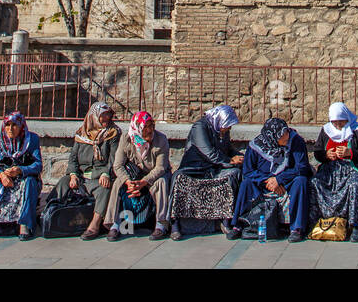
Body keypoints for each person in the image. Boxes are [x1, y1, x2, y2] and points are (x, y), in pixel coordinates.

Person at [228, 117, 313, 243]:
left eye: (286, 132)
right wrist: (269, 181)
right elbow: (248, 171)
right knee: (246, 184)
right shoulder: (256, 146)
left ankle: (297, 228)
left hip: (287, 182)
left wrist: (279, 179)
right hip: (264, 183)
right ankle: (238, 225)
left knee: (301, 181)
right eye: (282, 134)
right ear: (272, 136)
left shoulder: (295, 141)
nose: (286, 136)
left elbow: (302, 167)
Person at [170, 103, 244, 240]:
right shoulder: (200, 127)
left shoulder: (223, 131)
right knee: (179, 178)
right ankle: (175, 224)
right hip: (195, 167)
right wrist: (230, 161)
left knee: (233, 174)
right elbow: (208, 152)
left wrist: (239, 157)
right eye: (227, 125)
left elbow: (228, 149)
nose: (229, 128)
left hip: (213, 168)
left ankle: (226, 220)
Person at [311, 102, 358, 241]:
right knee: (315, 182)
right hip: (330, 169)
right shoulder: (326, 130)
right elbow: (317, 152)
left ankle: (356, 225)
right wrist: (326, 155)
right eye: (335, 121)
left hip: (351, 168)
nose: (338, 124)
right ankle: (318, 222)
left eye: (341, 121)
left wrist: (350, 153)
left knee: (354, 184)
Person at [105, 111, 172, 241]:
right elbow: (118, 165)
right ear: (138, 127)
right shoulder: (126, 139)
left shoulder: (160, 140)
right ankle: (114, 224)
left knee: (161, 182)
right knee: (118, 182)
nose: (150, 130)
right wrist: (129, 182)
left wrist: (144, 182)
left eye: (151, 126)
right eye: (146, 127)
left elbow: (160, 167)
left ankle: (161, 224)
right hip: (133, 176)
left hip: (154, 176)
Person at [59, 102, 120, 240]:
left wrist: (106, 173)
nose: (106, 119)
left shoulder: (113, 133)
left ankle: (95, 225)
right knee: (64, 182)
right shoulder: (82, 134)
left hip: (99, 175)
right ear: (94, 117)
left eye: (108, 115)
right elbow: (73, 159)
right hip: (81, 175)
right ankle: (54, 214)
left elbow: (114, 158)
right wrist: (73, 175)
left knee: (104, 189)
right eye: (102, 116)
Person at [0, 111, 42, 241]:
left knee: (28, 183)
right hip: (4, 178)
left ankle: (24, 224)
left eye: (14, 125)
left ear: (21, 126)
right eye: (7, 125)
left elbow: (38, 165)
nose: (10, 129)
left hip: (23, 177)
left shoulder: (32, 139)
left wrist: (20, 170)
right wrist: (2, 175)